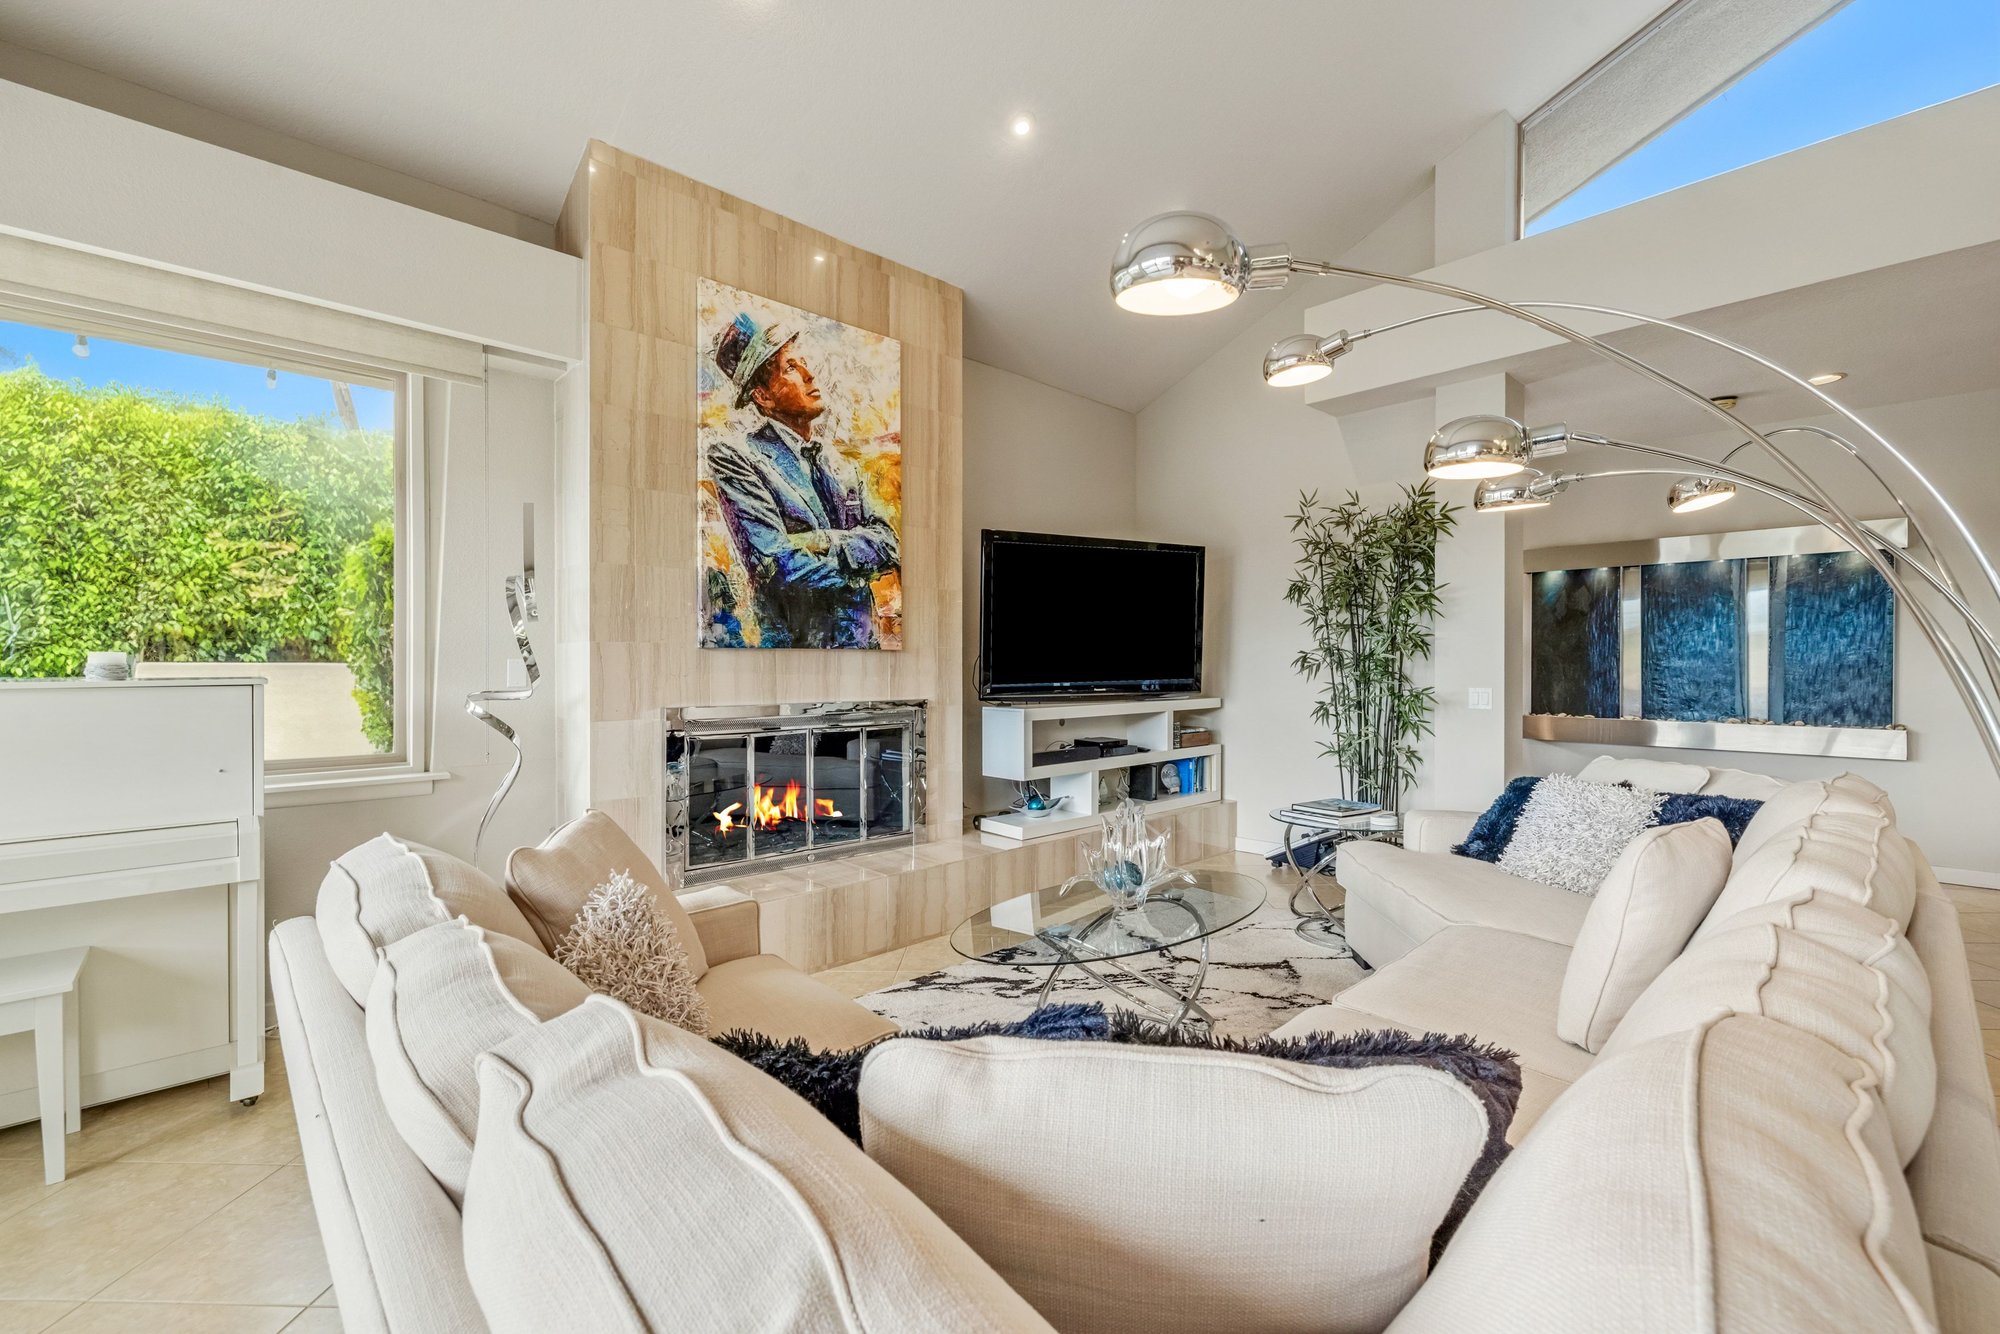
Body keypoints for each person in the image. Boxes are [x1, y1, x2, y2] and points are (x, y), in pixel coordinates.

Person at [705, 312, 899, 647]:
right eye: (791, 368)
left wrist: (819, 540)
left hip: (863, 648)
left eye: (804, 363)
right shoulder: (737, 458)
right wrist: (860, 560)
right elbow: (780, 565)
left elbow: (889, 543)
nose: (810, 375)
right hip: (796, 650)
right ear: (763, 397)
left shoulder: (839, 462)